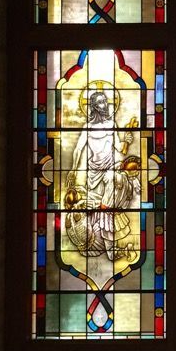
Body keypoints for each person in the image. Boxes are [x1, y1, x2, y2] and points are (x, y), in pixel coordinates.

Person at [63, 89, 141, 261]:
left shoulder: (111, 124)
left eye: (105, 101)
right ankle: (95, 244)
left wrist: (127, 140)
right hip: (93, 173)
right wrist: (73, 170)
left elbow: (120, 149)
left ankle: (110, 249)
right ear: (93, 106)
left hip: (110, 170)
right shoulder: (88, 127)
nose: (104, 104)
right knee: (96, 211)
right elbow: (78, 150)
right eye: (100, 102)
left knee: (106, 211)